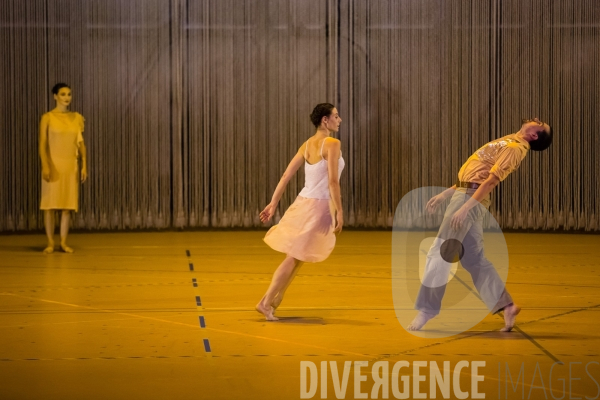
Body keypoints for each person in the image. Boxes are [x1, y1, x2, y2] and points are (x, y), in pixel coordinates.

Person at [408, 118, 553, 332]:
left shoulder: (515, 149)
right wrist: (446, 194)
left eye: (541, 125)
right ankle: (506, 305)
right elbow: (476, 173)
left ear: (534, 136)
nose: (538, 120)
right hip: (465, 193)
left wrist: (466, 206)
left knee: (440, 251)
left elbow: (490, 181)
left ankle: (428, 308)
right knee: (474, 259)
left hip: (470, 198)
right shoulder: (509, 140)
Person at [255, 103, 345, 321]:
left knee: (298, 256)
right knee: (295, 257)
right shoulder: (332, 143)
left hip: (302, 203)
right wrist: (340, 211)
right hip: (317, 207)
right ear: (325, 120)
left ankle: (275, 298)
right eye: (335, 115)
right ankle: (265, 302)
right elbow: (333, 182)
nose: (339, 119)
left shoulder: (306, 145)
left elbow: (285, 176)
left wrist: (273, 203)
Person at [38, 83, 88, 254]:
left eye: (69, 94)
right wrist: (45, 165)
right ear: (55, 96)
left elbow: (81, 144)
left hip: (70, 166)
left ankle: (64, 242)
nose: (67, 97)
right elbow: (42, 144)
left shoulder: (76, 117)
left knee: (67, 206)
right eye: (63, 94)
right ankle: (50, 242)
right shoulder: (48, 117)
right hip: (53, 164)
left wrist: (84, 166)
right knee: (50, 206)